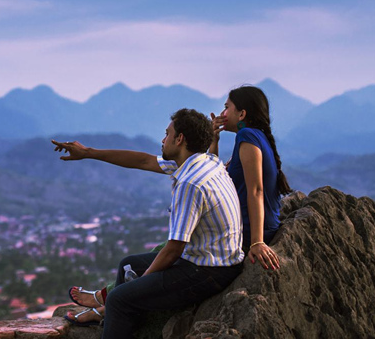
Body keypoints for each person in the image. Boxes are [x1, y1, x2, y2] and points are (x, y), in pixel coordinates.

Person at [51, 108, 245, 337]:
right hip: (209, 259)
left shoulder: (190, 183)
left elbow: (174, 249)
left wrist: (143, 283)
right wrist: (88, 152)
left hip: (209, 271)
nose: (162, 140)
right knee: (128, 265)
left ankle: (111, 312)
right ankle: (114, 318)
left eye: (167, 133)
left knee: (120, 298)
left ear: (179, 138)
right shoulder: (205, 161)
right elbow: (142, 160)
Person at [210, 85, 291, 269]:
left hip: (249, 234)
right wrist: (214, 140)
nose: (222, 113)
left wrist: (257, 242)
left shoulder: (246, 136)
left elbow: (256, 189)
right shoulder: (255, 136)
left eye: (227, 107)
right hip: (257, 229)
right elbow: (214, 180)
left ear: (241, 114)